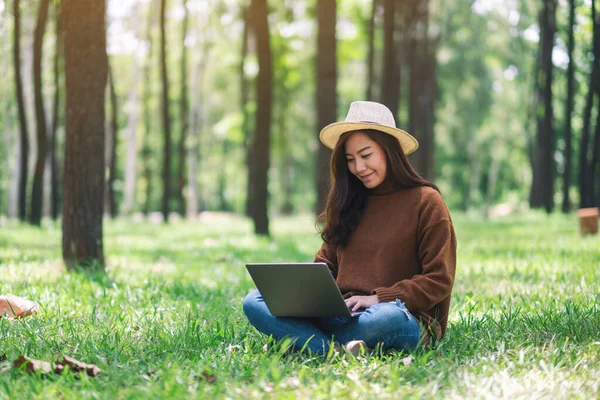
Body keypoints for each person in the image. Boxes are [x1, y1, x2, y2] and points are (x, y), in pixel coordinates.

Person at [243, 101, 457, 357]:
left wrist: (379, 298)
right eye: (350, 160)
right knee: (254, 301)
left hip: (399, 316)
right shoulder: (349, 202)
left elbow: (439, 280)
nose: (358, 168)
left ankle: (304, 343)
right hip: (342, 315)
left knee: (387, 317)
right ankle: (335, 349)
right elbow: (325, 266)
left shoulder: (426, 201)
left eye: (366, 155)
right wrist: (305, 295)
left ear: (391, 151)